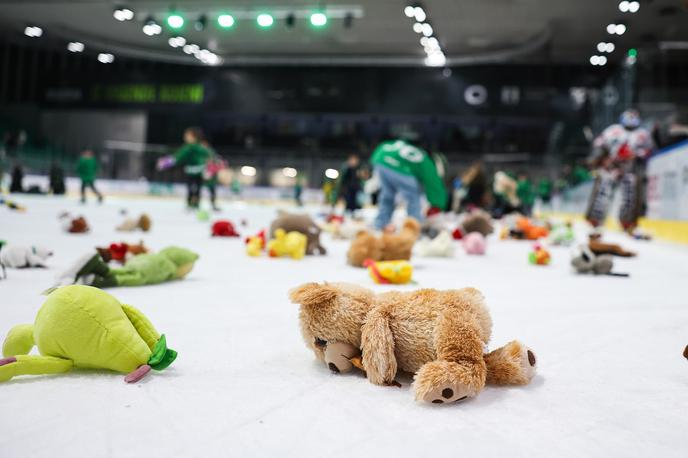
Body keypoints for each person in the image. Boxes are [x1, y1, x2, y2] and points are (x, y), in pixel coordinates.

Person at [585, 109, 653, 232]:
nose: (631, 120)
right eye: (629, 117)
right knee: (602, 194)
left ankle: (628, 222)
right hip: (610, 167)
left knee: (629, 197)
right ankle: (595, 219)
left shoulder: (643, 134)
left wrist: (636, 155)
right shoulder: (613, 130)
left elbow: (649, 150)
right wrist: (599, 158)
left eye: (633, 117)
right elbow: (599, 144)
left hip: (629, 169)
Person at [370, 139, 447, 229]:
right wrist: (438, 204)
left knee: (387, 195)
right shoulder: (426, 161)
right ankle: (414, 228)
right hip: (396, 165)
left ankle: (380, 224)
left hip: (380, 157)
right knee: (413, 198)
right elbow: (434, 184)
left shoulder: (412, 150)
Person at [158, 127, 211, 209]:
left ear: (193, 136)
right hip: (193, 171)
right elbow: (179, 156)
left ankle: (193, 203)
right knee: (193, 188)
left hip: (198, 171)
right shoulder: (196, 147)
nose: (185, 137)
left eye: (187, 135)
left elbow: (178, 157)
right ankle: (192, 203)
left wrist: (166, 162)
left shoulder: (192, 147)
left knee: (195, 188)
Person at [201, 139, 224, 211]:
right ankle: (194, 204)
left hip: (211, 177)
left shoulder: (211, 152)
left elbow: (217, 162)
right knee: (197, 190)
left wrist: (211, 170)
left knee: (212, 191)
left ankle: (213, 205)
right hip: (201, 174)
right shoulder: (198, 153)